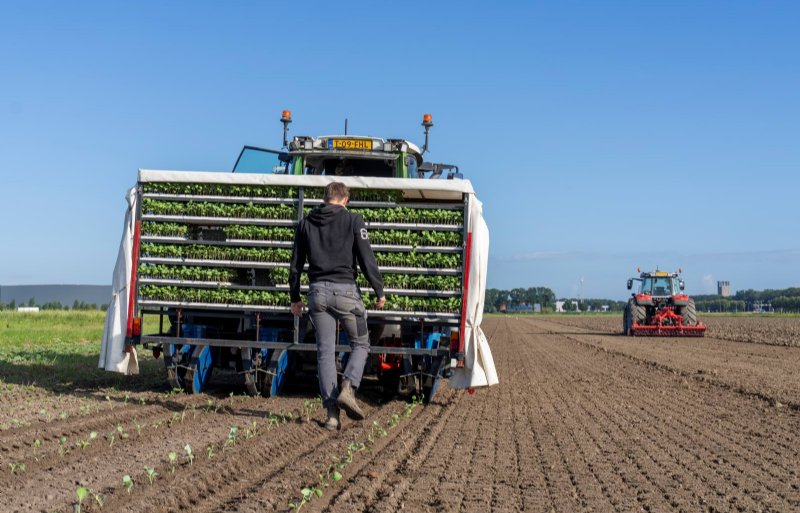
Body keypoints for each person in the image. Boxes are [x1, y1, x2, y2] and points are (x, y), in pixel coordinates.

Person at [289, 181, 386, 430]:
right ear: (345, 199)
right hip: (346, 293)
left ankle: (332, 416)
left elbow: (296, 265)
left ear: (325, 198)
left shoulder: (305, 223)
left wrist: (295, 298)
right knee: (361, 342)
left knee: (325, 352)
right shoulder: (353, 220)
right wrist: (379, 291)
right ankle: (348, 386)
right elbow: (367, 258)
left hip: (317, 294)